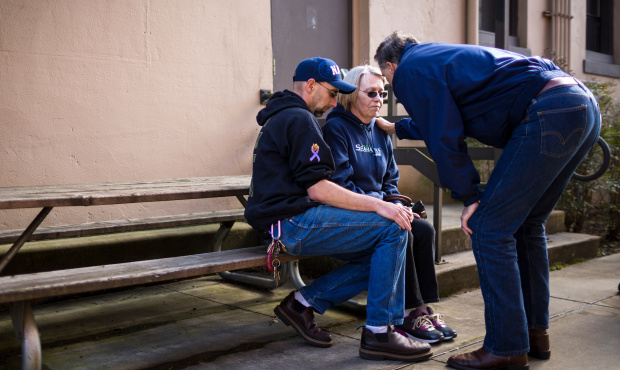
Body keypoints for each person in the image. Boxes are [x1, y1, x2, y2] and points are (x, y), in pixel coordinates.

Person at [374, 32, 601, 369]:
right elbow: (447, 114)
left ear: (391, 65)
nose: (393, 87)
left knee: (488, 227)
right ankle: (535, 334)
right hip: (578, 103)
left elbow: (444, 136)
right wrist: (399, 128)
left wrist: (469, 196)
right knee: (527, 225)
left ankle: (506, 346)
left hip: (548, 110)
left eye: (387, 81)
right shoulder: (438, 57)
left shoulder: (410, 70)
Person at [244, 56, 432, 362]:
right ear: (310, 86)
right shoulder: (298, 119)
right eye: (332, 93)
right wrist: (380, 206)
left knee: (383, 256)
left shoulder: (287, 117)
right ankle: (380, 332)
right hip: (291, 225)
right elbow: (318, 188)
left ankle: (302, 303)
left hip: (288, 221)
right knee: (393, 227)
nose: (334, 102)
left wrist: (383, 203)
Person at [322, 64, 456, 344]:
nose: (379, 100)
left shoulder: (380, 131)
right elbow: (341, 184)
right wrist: (383, 205)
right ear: (350, 94)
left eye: (382, 94)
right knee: (402, 229)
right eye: (371, 93)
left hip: (382, 209)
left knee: (424, 229)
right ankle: (408, 312)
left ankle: (422, 308)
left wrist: (396, 203)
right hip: (352, 213)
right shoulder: (336, 128)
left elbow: (390, 182)